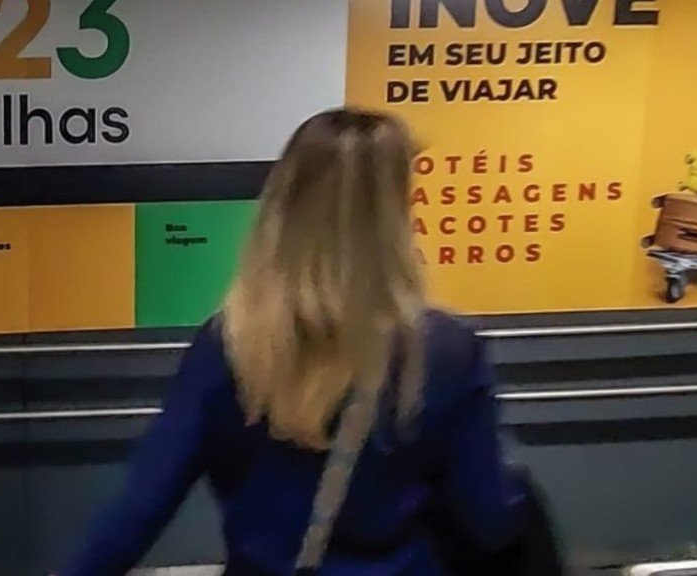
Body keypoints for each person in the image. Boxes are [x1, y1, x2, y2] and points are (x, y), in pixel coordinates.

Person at [55, 109, 526, 576]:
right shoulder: (443, 350)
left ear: (284, 206)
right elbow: (489, 521)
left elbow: (141, 505)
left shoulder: (230, 344)